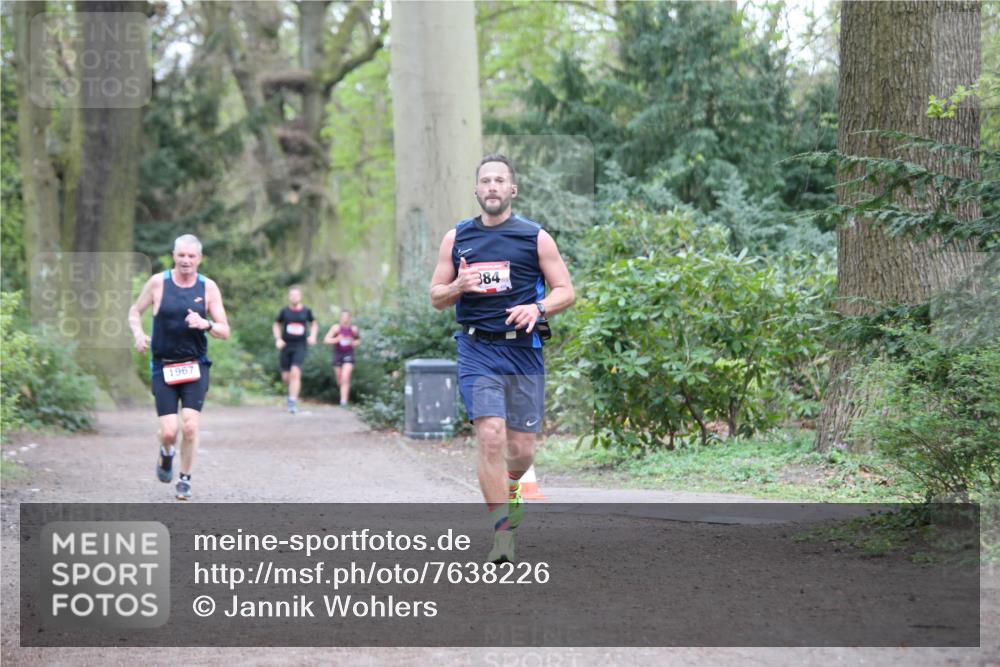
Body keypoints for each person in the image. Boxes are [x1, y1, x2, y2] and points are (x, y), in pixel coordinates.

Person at [430, 154, 575, 563]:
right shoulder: (456, 238)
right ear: (476, 190)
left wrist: (540, 308)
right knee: (490, 435)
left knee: (521, 450)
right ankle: (503, 536)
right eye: (485, 181)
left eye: (500, 181)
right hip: (477, 349)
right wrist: (458, 284)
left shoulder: (535, 237)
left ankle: (514, 486)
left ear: (512, 190)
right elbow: (436, 297)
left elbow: (566, 290)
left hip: (522, 350)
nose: (492, 187)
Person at [128, 234, 230, 501]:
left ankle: (184, 479)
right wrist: (138, 335)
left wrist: (206, 324)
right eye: (181, 255)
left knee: (191, 426)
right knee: (170, 431)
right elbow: (134, 312)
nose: (186, 261)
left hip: (195, 365)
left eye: (191, 256)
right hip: (164, 366)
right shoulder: (158, 283)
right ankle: (166, 452)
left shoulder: (208, 288)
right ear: (174, 256)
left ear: (200, 259)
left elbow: (224, 330)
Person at [274, 286, 318, 414]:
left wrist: (313, 336)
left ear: (300, 296)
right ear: (289, 297)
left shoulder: (306, 311)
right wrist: (278, 339)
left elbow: (314, 323)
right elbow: (276, 324)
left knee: (295, 371)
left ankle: (293, 401)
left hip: (300, 345)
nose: (294, 297)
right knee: (286, 377)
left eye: (296, 295)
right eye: (292, 295)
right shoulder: (284, 311)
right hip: (286, 345)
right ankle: (290, 395)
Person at [323, 310, 360, 406]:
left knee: (345, 377)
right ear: (340, 318)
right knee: (340, 379)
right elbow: (326, 340)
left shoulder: (354, 329)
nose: (345, 319)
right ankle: (342, 395)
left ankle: (343, 401)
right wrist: (337, 339)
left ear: (349, 318)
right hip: (338, 355)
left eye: (346, 317)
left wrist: (354, 343)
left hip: (349, 354)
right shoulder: (336, 328)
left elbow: (358, 340)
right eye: (343, 317)